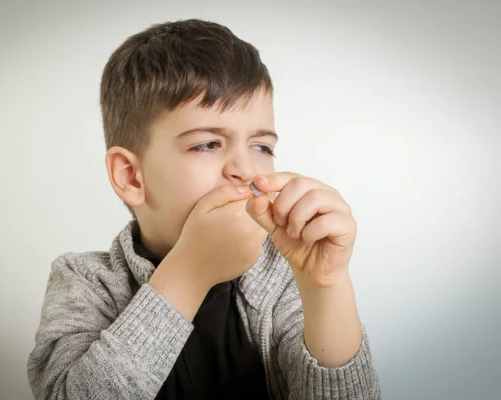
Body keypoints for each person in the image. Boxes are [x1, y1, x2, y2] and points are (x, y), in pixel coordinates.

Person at [27, 18, 381, 399]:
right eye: (208, 144)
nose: (244, 169)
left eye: (261, 147)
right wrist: (190, 273)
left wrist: (325, 285)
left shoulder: (284, 275)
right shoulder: (84, 282)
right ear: (131, 176)